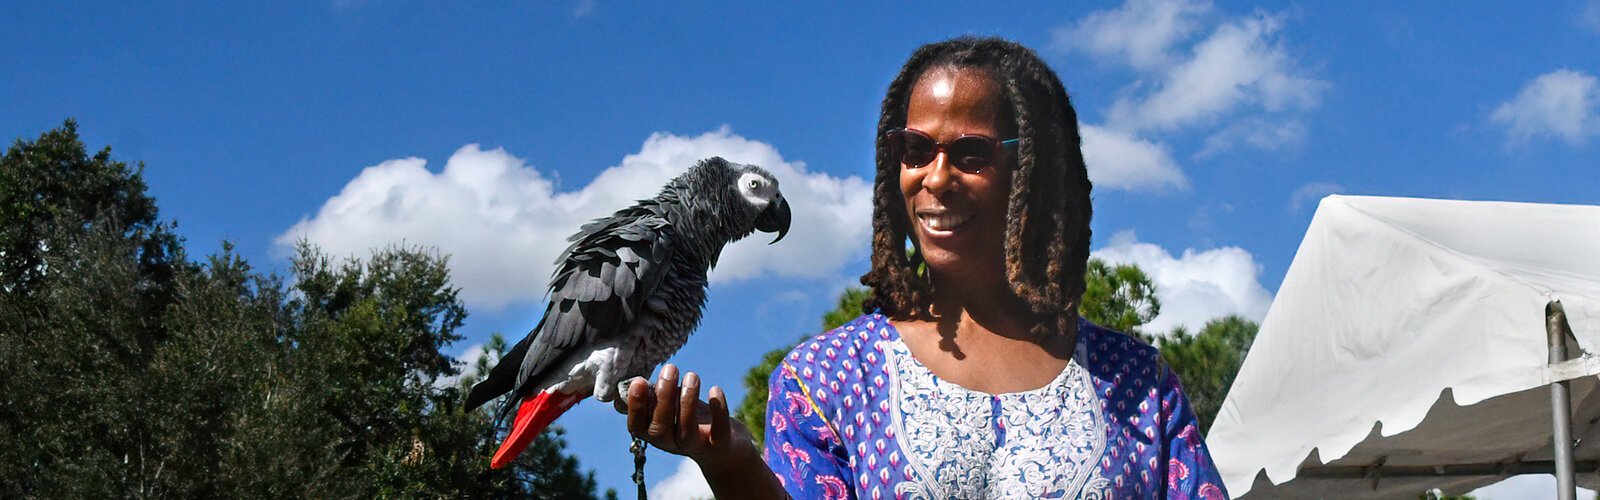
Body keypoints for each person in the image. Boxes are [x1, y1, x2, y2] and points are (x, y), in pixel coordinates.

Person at [621, 36, 1227, 499]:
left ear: (1035, 171)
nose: (936, 178)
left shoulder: (1138, 385)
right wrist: (733, 468)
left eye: (970, 153)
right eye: (915, 150)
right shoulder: (826, 380)